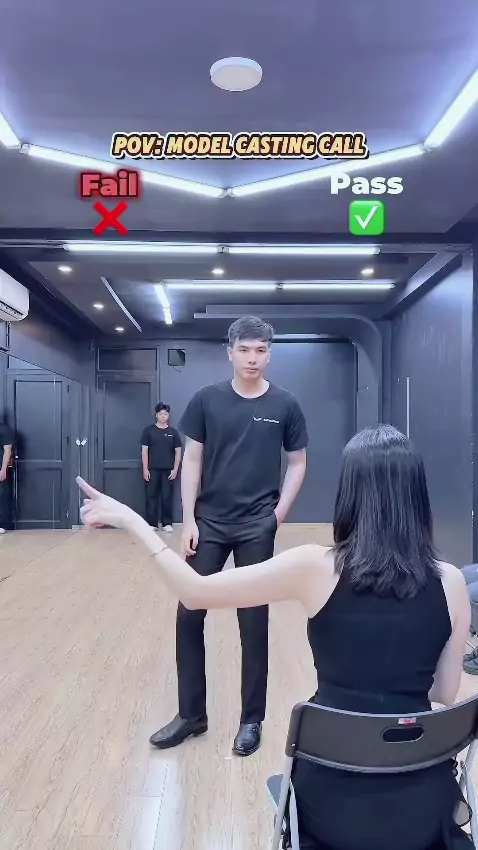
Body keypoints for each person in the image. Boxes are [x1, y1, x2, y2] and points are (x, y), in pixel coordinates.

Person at [77, 424, 471, 850]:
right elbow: (444, 694)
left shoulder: (316, 568)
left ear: (351, 494)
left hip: (331, 806)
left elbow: (194, 592)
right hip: (424, 809)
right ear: (416, 496)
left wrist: (132, 520)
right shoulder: (450, 582)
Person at [166, 316, 308, 755]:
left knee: (253, 621)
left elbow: (298, 463)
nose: (252, 358)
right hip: (208, 522)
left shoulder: (285, 404)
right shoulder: (206, 400)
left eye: (260, 350)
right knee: (189, 613)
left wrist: (276, 517)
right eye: (244, 349)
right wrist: (188, 519)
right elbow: (192, 460)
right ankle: (191, 716)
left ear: (270, 354)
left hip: (256, 526)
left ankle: (251, 720)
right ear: (230, 352)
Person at [141, 403, 182, 533]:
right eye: (161, 414)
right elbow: (144, 451)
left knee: (167, 497)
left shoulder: (173, 433)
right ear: (156, 415)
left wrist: (175, 469)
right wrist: (145, 469)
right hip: (152, 469)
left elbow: (178, 452)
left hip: (168, 470)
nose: (163, 416)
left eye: (165, 414)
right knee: (151, 496)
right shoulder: (148, 431)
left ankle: (167, 523)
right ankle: (151, 523)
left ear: (168, 416)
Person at [0, 421, 14, 534]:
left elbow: (8, 450)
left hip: (0, 468)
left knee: (2, 496)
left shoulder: (4, 429)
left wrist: (3, 468)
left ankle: (2, 524)